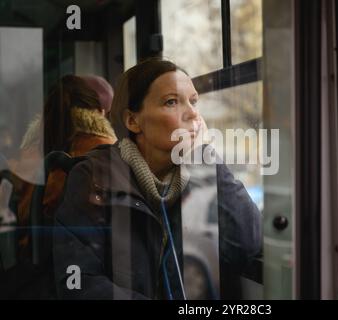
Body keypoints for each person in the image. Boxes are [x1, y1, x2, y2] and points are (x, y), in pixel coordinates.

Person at [52, 57, 262, 300]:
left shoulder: (200, 173)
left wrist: (205, 158)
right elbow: (79, 281)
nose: (193, 113)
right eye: (171, 102)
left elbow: (248, 243)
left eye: (193, 101)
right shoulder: (94, 177)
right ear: (133, 120)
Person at [4, 75, 117, 299]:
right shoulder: (107, 154)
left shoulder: (25, 157)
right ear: (100, 113)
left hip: (26, 275)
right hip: (85, 274)